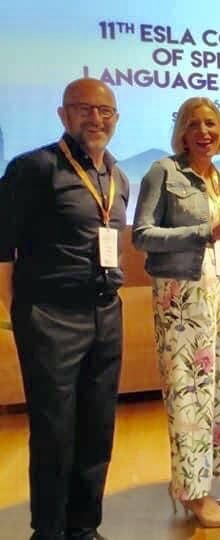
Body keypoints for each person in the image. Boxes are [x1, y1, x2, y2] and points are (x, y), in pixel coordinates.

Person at [0, 78, 129, 540]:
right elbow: (3, 247)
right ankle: (49, 531)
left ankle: (84, 528)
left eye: (104, 111)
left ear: (116, 119)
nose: (95, 118)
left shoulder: (117, 175)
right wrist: (15, 312)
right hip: (51, 315)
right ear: (62, 114)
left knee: (98, 426)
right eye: (83, 108)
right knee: (54, 429)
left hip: (106, 312)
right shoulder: (33, 167)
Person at [132, 97, 220, 528]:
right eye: (194, 124)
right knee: (188, 395)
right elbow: (142, 235)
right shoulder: (163, 171)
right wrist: (204, 232)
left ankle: (199, 484)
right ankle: (194, 494)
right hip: (182, 299)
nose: (204, 132)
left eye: (211, 123)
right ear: (181, 131)